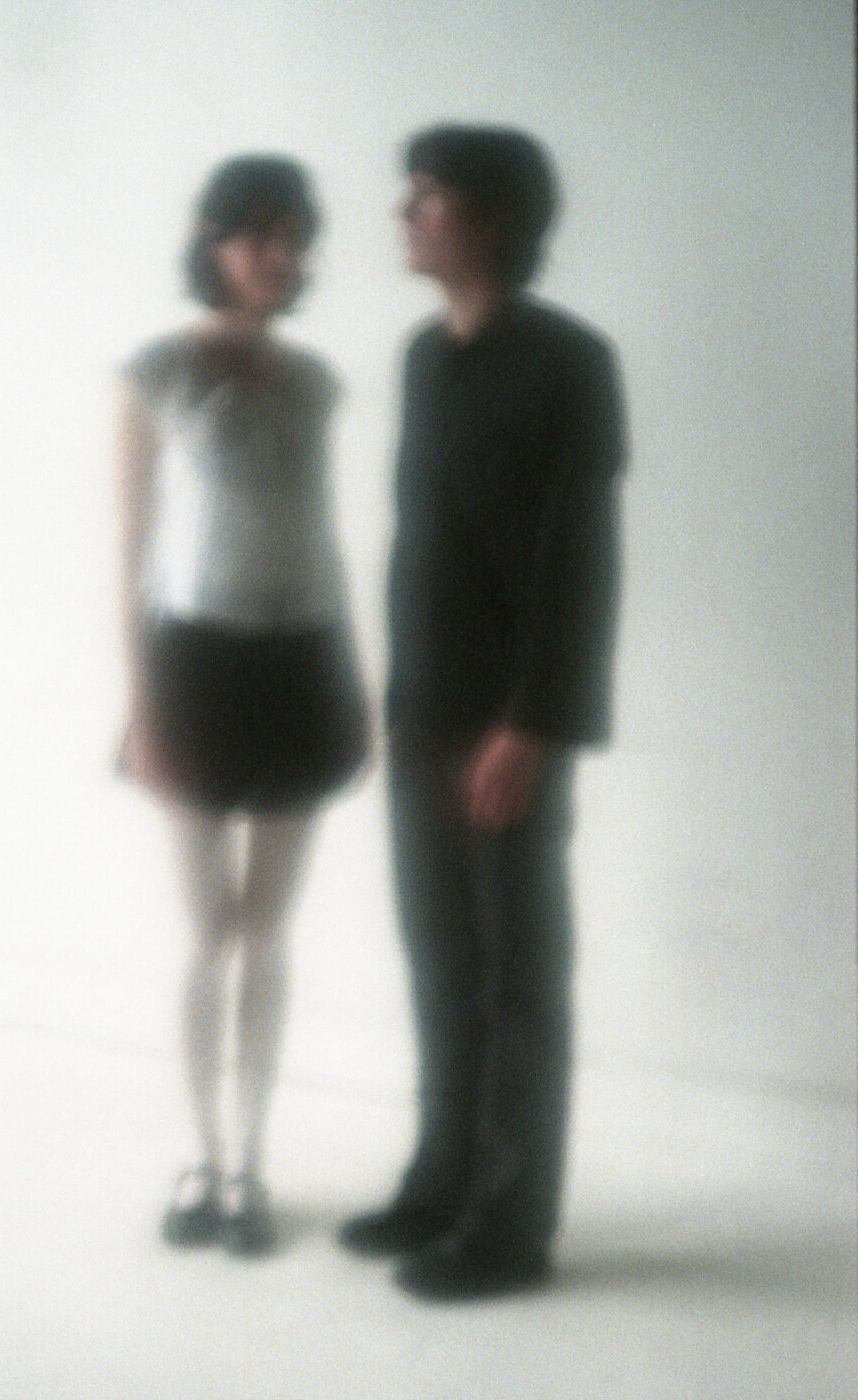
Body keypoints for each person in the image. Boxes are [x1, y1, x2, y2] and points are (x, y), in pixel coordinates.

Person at [338, 125, 626, 1299]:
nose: (402, 212)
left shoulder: (570, 362)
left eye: (426, 195)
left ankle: (510, 1227)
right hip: (420, 713)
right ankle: (441, 1181)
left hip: (508, 726)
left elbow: (580, 558)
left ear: (494, 217)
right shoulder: (423, 356)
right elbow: (425, 547)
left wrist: (536, 723)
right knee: (439, 962)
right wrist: (393, 698)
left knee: (517, 979)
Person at [116, 154, 367, 1257]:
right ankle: (199, 1153)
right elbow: (129, 549)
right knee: (207, 929)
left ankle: (250, 1161)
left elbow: (325, 540)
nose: (280, 254)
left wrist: (352, 681)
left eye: (294, 236)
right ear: (214, 243)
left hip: (303, 659)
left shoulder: (316, 382)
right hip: (194, 665)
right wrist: (141, 705)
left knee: (268, 929)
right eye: (259, 233)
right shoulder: (157, 372)